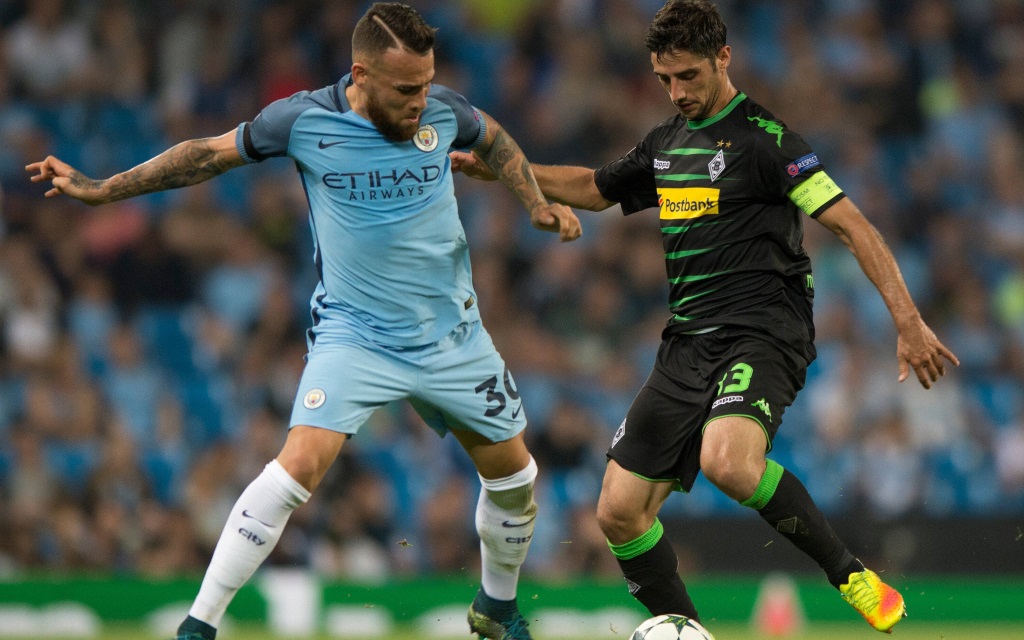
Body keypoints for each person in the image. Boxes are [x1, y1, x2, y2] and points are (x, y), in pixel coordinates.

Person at [27, 4, 581, 640]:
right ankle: (198, 626)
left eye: (426, 85)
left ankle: (497, 609)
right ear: (361, 75)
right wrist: (102, 189)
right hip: (357, 335)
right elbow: (203, 156)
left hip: (452, 335)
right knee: (299, 467)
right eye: (405, 89)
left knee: (515, 478)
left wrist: (536, 202)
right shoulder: (302, 119)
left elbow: (496, 140)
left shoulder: (443, 111)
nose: (419, 101)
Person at [451, 0, 959, 634]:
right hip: (686, 344)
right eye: (665, 79)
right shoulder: (665, 144)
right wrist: (506, 169)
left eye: (688, 75)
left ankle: (852, 576)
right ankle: (687, 630)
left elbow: (852, 226)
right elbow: (593, 187)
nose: (677, 92)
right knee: (618, 512)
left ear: (724, 58)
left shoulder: (769, 142)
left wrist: (908, 323)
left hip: (765, 333)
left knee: (729, 462)